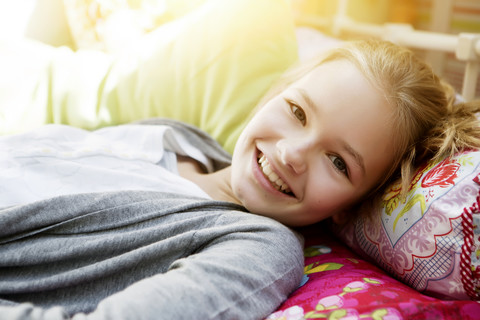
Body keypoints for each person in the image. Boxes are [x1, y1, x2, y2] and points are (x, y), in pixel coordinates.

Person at [0, 39, 479, 320]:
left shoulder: (257, 248)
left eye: (338, 162)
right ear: (276, 91)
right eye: (296, 111)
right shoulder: (177, 137)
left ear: (353, 205)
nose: (292, 153)